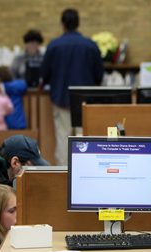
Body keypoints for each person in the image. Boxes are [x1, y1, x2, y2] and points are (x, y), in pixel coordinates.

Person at [41, 8, 104, 165]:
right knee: (84, 136)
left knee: (63, 137)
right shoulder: (90, 45)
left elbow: (44, 74)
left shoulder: (54, 46)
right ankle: (85, 170)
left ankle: (64, 174)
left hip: (61, 98)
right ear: (78, 23)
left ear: (62, 24)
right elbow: (99, 75)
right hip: (86, 100)